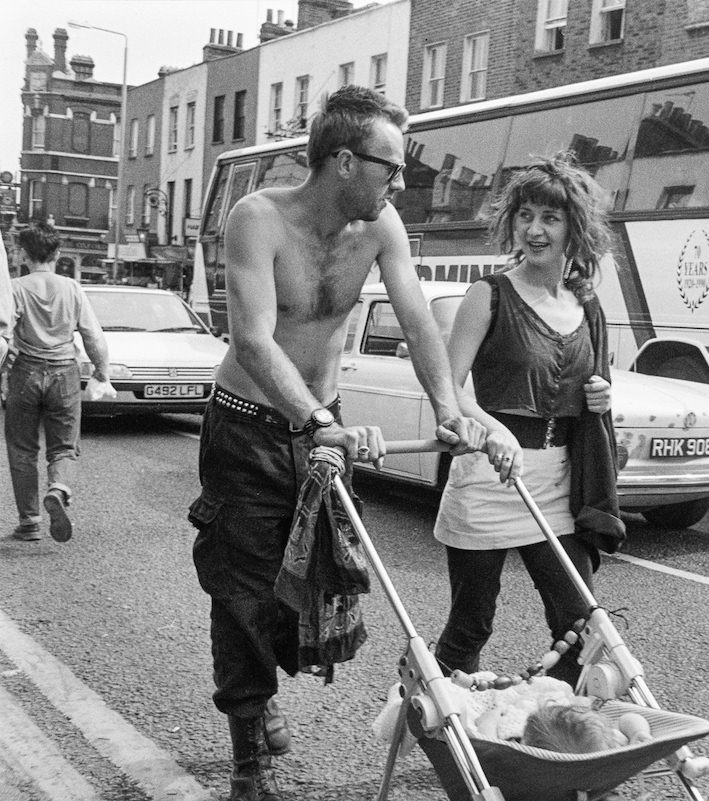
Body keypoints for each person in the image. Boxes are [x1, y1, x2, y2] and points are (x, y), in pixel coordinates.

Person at [186, 85, 486, 801]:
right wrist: (317, 419)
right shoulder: (256, 219)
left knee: (310, 586)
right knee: (241, 589)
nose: (404, 182)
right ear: (345, 161)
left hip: (323, 427)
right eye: (393, 166)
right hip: (251, 427)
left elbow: (418, 324)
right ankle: (250, 745)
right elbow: (253, 341)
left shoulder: (382, 230)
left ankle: (256, 696)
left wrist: (449, 408)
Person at [433, 152, 625, 690]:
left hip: (559, 480)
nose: (535, 230)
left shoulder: (587, 305)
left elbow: (593, 389)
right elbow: (447, 388)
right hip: (490, 476)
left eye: (550, 218)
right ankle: (449, 728)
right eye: (525, 216)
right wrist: (491, 429)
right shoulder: (488, 295)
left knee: (581, 624)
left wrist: (604, 397)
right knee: (472, 624)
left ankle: (554, 722)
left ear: (575, 228)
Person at [4, 220, 109, 544]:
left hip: (26, 372)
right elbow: (92, 334)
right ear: (58, 253)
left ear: (23, 254)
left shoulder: (15, 288)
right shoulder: (72, 287)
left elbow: (3, 335)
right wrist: (101, 372)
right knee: (64, 445)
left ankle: (29, 521)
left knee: (22, 448)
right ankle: (59, 488)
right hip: (64, 372)